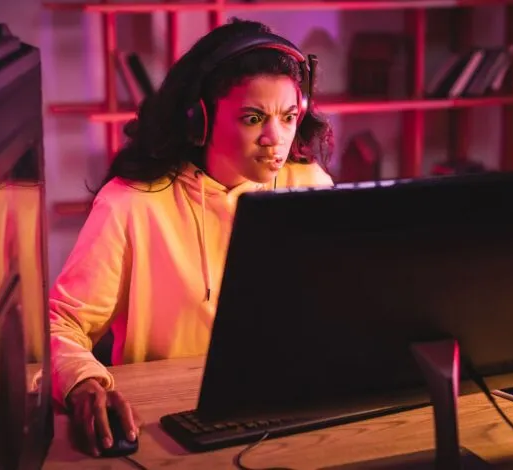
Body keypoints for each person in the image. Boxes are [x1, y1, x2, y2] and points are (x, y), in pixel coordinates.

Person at [49, 18, 335, 457]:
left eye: (289, 116)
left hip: (291, 418)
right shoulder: (130, 204)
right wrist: (85, 383)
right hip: (170, 429)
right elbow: (60, 325)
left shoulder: (310, 185)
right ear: (198, 119)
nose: (274, 138)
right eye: (253, 117)